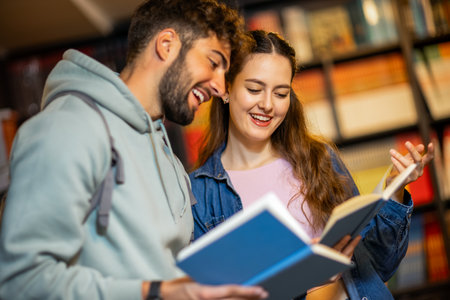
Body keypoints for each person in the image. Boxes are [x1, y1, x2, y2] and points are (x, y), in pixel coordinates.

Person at [0, 1, 270, 300]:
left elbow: (167, 275)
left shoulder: (169, 159)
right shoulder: (67, 128)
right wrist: (154, 292)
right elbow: (21, 282)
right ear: (167, 45)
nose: (221, 87)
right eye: (213, 62)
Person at [189, 30, 435, 300]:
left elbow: (379, 265)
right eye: (254, 89)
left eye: (281, 93)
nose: (268, 105)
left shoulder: (319, 158)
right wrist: (304, 280)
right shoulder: (201, 194)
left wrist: (394, 188)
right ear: (226, 89)